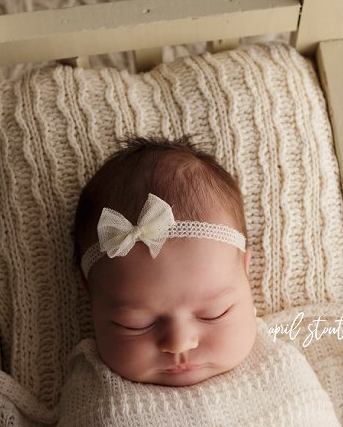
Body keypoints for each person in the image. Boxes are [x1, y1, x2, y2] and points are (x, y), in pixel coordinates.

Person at [72, 134, 257, 386]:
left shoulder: (277, 362)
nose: (179, 343)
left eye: (215, 314)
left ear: (246, 271)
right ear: (89, 292)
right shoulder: (88, 385)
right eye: (135, 324)